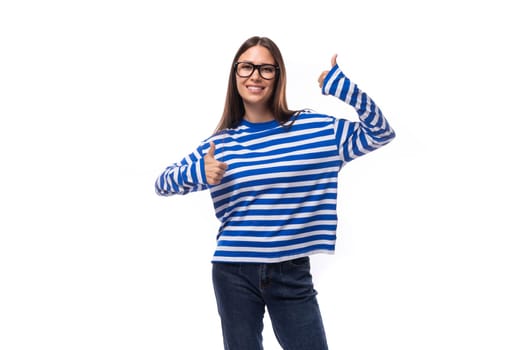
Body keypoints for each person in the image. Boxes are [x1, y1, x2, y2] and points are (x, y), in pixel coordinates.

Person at [155, 35, 395, 350]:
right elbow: (162, 183)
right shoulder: (220, 144)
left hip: (291, 271)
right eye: (246, 67)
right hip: (233, 271)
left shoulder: (315, 130)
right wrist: (199, 172)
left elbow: (380, 132)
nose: (255, 75)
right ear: (235, 75)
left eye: (266, 69)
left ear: (278, 76)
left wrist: (344, 89)